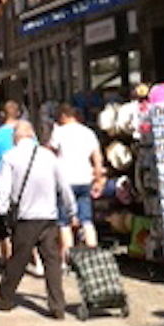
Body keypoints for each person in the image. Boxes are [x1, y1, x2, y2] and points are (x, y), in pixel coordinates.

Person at [0, 120, 77, 318]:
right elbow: (64, 187)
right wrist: (71, 210)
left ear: (16, 136)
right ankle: (57, 305)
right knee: (52, 261)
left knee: (19, 259)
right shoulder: (49, 156)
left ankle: (5, 297)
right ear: (32, 135)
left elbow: (3, 189)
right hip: (49, 217)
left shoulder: (10, 157)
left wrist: (2, 211)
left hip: (25, 218)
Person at [51, 102, 105, 250]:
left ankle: (69, 257)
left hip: (65, 180)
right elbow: (97, 158)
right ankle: (93, 251)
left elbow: (52, 154)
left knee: (64, 222)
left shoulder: (59, 132)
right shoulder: (88, 132)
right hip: (84, 179)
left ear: (63, 116)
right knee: (86, 219)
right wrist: (98, 179)